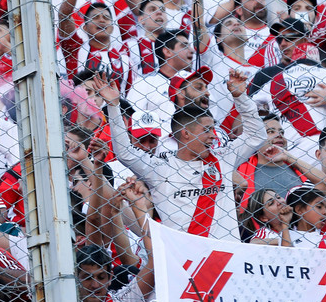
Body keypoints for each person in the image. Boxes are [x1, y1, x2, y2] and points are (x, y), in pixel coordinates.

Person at [103, 69, 266, 241]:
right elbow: (124, 152)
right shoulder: (160, 169)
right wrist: (113, 106)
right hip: (184, 259)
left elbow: (257, 135)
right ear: (186, 133)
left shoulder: (223, 157)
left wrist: (240, 97)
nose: (213, 135)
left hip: (226, 257)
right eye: (207, 130)